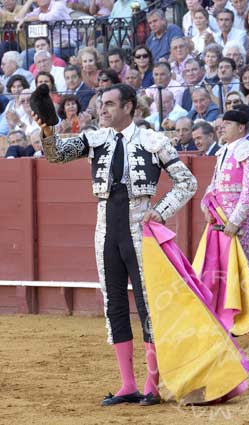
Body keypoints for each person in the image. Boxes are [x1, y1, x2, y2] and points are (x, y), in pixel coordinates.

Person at [35, 83, 197, 406]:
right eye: (101, 104)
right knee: (115, 305)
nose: (103, 109)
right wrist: (49, 131)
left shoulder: (154, 141)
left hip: (141, 228)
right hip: (106, 229)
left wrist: (161, 211)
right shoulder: (95, 139)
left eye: (109, 104)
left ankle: (152, 385)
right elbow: (56, 156)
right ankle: (128, 385)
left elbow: (187, 182)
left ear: (129, 107)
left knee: (148, 304)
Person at [193, 108, 249, 333]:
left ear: (242, 127)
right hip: (220, 220)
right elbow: (214, 184)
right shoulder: (224, 151)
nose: (221, 127)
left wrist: (235, 221)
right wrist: (206, 205)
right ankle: (228, 316)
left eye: (227, 124)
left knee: (242, 267)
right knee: (223, 268)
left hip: (237, 222)